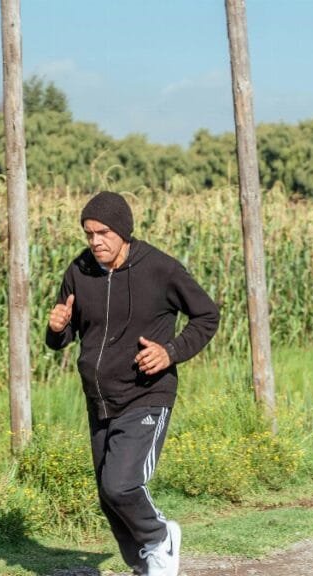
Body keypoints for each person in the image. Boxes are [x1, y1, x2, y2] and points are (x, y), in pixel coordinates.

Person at [45, 191, 219, 576]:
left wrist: (170, 352)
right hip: (100, 400)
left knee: (121, 485)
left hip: (146, 393)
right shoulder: (79, 271)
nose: (95, 241)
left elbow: (207, 315)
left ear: (123, 231)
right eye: (89, 233)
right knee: (108, 497)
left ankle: (160, 538)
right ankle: (145, 565)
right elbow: (63, 335)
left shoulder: (160, 269)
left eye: (103, 233)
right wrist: (56, 328)